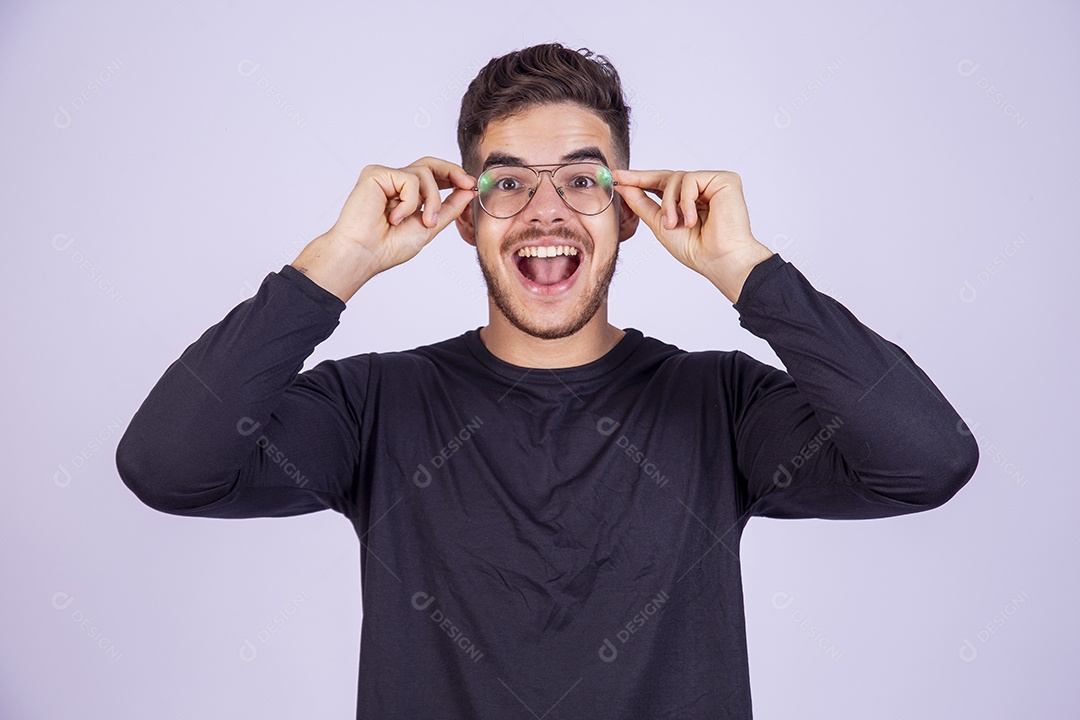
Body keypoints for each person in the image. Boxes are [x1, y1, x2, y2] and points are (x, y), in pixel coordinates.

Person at [116, 43, 979, 719]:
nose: (546, 209)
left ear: (630, 212)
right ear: (464, 219)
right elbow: (169, 466)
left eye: (580, 179)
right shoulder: (374, 407)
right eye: (507, 184)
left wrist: (748, 271)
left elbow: (926, 459)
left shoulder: (720, 405)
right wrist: (335, 264)